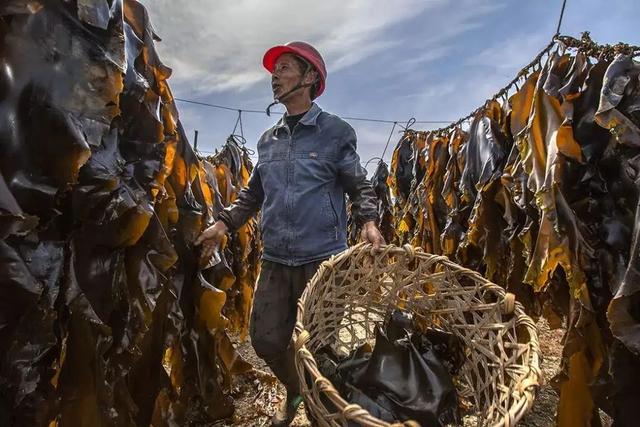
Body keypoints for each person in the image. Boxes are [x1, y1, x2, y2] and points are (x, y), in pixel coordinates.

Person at [196, 41, 384, 426]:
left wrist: (368, 221)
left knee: (318, 346)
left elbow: (358, 184)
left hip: (322, 259)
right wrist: (223, 224)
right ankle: (297, 388)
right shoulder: (268, 140)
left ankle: (322, 411)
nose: (274, 76)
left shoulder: (335, 132)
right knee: (265, 339)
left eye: (283, 68)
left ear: (311, 76)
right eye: (273, 70)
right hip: (277, 256)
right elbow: (252, 194)